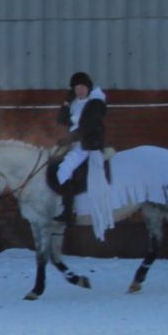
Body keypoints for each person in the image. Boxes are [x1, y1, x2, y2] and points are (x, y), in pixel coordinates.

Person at [54, 71, 108, 228]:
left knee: (64, 170)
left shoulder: (95, 103)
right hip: (78, 144)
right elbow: (61, 120)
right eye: (77, 88)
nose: (80, 91)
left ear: (89, 88)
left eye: (83, 87)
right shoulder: (75, 103)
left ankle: (69, 214)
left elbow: (87, 127)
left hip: (89, 145)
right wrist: (66, 102)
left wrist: (68, 139)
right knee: (61, 169)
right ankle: (68, 210)